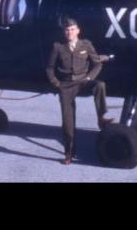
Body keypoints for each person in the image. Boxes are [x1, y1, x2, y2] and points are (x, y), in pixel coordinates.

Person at [46, 18, 114, 165]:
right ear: (64, 32)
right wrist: (56, 83)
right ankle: (69, 153)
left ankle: (101, 118)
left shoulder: (86, 44)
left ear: (78, 31)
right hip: (66, 86)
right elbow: (50, 68)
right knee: (68, 123)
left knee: (100, 85)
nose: (70, 32)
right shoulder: (58, 47)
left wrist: (89, 78)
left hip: (84, 81)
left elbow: (97, 64)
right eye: (67, 30)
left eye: (72, 29)